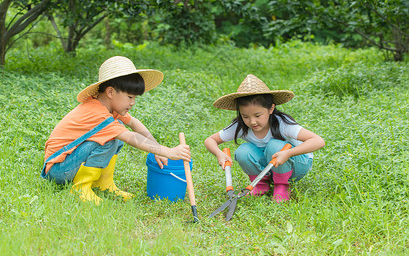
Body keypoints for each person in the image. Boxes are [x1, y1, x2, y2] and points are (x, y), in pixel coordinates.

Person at [41, 56, 191, 205]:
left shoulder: (106, 107)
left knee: (117, 126)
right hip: (57, 170)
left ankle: (103, 183)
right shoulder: (98, 114)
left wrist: (157, 149)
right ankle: (81, 188)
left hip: (67, 162)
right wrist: (168, 152)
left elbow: (134, 123)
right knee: (112, 137)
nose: (132, 103)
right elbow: (131, 137)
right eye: (130, 97)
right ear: (111, 92)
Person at [204, 74, 325, 202]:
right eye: (245, 116)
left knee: (275, 145)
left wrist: (289, 153)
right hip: (269, 167)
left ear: (271, 108)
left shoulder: (282, 124)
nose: (252, 122)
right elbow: (210, 140)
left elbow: (318, 141)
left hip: (295, 166)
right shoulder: (240, 126)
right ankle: (260, 184)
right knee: (242, 151)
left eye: (257, 115)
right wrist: (219, 154)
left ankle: (282, 185)